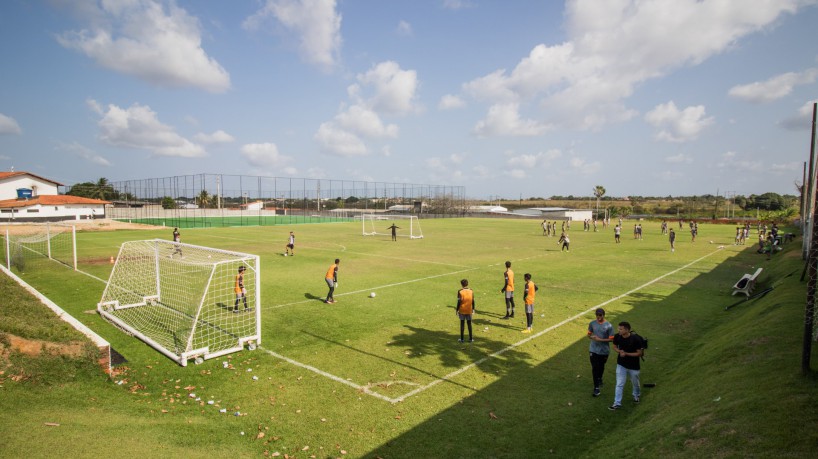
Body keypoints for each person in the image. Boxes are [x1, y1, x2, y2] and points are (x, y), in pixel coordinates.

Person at [609, 321, 645, 410]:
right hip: (621, 364)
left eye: (621, 329)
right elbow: (614, 346)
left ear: (627, 330)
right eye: (618, 328)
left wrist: (626, 353)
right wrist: (619, 351)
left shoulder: (635, 339)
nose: (619, 330)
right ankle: (617, 403)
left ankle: (636, 395)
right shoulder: (617, 336)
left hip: (633, 365)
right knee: (619, 383)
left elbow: (639, 353)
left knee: (635, 383)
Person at [588, 308, 614, 397]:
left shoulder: (608, 326)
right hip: (593, 349)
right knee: (595, 367)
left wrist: (600, 340)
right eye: (597, 315)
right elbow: (589, 334)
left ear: (603, 315)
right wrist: (592, 337)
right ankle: (596, 388)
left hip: (604, 351)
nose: (598, 317)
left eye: (600, 315)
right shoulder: (592, 323)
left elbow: (611, 339)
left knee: (601, 366)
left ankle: (600, 378)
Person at [456, 278, 475, 343]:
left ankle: (462, 339)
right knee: (469, 324)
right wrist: (473, 309)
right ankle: (470, 339)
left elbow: (459, 302)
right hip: (469, 310)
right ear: (467, 284)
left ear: (461, 285)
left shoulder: (460, 291)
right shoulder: (471, 291)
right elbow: (473, 301)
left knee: (462, 324)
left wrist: (457, 309)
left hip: (462, 310)